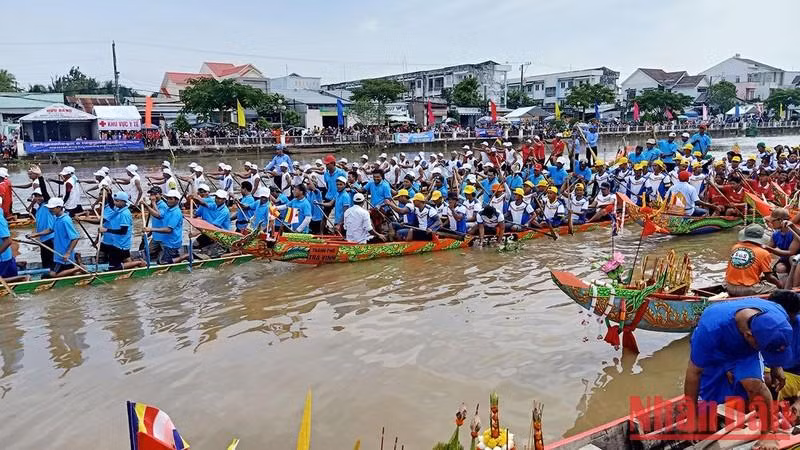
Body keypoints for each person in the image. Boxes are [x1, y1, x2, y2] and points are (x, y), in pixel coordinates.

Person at [684, 296, 793, 450]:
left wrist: (776, 366)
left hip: (745, 353)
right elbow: (694, 373)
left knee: (755, 386)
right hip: (717, 352)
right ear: (749, 335)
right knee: (707, 404)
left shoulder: (777, 315)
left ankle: (768, 430)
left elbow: (777, 342)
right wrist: (691, 418)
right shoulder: (711, 329)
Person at [725, 224, 780, 296]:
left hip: (729, 286)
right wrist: (780, 285)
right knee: (774, 289)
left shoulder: (735, 247)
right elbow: (769, 277)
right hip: (747, 289)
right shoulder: (764, 253)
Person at [43, 197, 82, 278]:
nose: (50, 210)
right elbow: (50, 230)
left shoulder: (65, 220)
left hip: (64, 255)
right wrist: (35, 235)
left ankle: (78, 268)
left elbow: (75, 238)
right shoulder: (57, 218)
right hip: (58, 254)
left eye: (52, 208)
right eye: (49, 208)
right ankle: (77, 266)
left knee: (53, 275)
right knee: (66, 273)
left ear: (59, 208)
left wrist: (68, 252)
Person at [144, 190, 184, 265]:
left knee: (163, 262)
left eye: (171, 199)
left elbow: (169, 230)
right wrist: (147, 206)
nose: (168, 201)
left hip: (172, 243)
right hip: (165, 241)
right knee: (149, 253)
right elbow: (158, 215)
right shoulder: (168, 209)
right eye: (168, 198)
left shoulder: (176, 213)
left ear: (177, 200)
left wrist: (151, 229)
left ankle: (184, 256)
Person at [27, 188, 55, 270]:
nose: (38, 198)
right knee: (45, 263)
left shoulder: (47, 206)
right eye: (36, 196)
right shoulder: (38, 209)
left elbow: (51, 229)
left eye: (40, 196)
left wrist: (40, 177)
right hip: (43, 239)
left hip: (51, 239)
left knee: (51, 264)